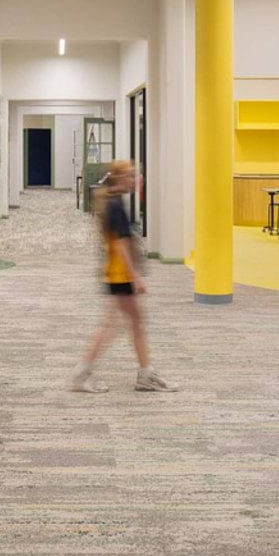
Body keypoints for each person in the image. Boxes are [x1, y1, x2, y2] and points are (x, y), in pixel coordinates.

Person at [71, 160, 177, 394]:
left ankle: (145, 373)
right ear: (119, 179)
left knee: (131, 323)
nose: (135, 180)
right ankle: (83, 372)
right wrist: (135, 276)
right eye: (130, 176)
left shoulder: (113, 201)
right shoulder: (114, 206)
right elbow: (120, 245)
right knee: (116, 325)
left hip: (117, 274)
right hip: (120, 276)